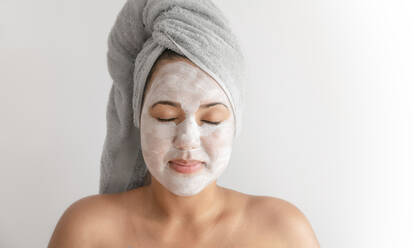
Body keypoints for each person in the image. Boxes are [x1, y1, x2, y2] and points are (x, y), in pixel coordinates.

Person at [48, 49, 320, 247]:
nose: (188, 139)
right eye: (166, 116)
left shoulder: (283, 231)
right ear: (138, 118)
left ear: (235, 123)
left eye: (211, 119)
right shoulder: (87, 230)